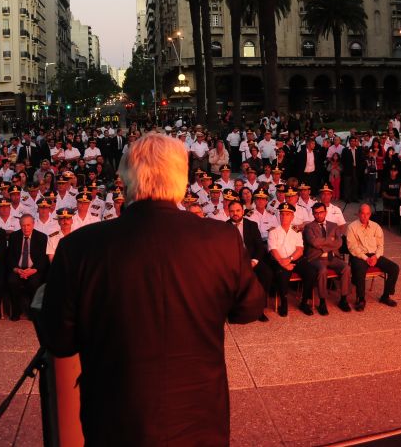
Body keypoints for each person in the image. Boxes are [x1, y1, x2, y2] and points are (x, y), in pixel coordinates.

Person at [41, 133, 265, 445]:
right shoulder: (222, 240)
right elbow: (250, 308)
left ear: (126, 178)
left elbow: (59, 340)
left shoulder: (79, 247)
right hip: (200, 421)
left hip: (115, 420)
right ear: (181, 178)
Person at [346, 204, 400, 311]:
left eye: (367, 214)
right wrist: (366, 258)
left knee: (394, 268)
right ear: (358, 214)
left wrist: (376, 256)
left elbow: (381, 245)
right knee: (360, 270)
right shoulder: (351, 227)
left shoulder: (376, 226)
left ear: (370, 214)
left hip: (374, 255)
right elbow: (352, 248)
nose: (365, 216)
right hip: (359, 255)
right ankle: (361, 299)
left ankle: (385, 296)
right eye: (362, 213)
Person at [268, 203, 317, 317]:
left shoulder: (296, 230)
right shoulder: (273, 230)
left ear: (292, 217)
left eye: (287, 214)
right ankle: (283, 304)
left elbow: (300, 250)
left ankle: (304, 302)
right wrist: (282, 263)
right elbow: (273, 250)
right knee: (282, 275)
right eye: (282, 214)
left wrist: (289, 260)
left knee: (311, 272)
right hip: (278, 260)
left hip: (294, 258)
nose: (284, 217)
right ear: (279, 216)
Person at [302, 202, 352, 314]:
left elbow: (339, 243)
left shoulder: (333, 225)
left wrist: (323, 245)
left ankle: (343, 299)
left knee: (346, 268)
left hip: (333, 258)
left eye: (321, 212)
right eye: (316, 213)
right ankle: (322, 302)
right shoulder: (309, 227)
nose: (319, 215)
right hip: (316, 258)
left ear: (326, 212)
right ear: (313, 214)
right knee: (322, 270)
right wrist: (330, 241)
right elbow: (314, 242)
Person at [6, 213, 48, 321]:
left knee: (34, 283)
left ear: (33, 225)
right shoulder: (14, 236)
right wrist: (16, 269)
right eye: (23, 225)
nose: (26, 228)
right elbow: (9, 256)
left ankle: (32, 311)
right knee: (12, 281)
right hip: (18, 269)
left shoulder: (42, 237)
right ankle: (16, 310)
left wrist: (33, 270)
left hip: (33, 269)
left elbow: (43, 259)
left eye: (28, 225)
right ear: (20, 225)